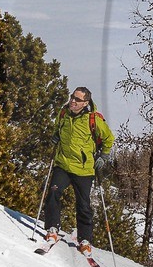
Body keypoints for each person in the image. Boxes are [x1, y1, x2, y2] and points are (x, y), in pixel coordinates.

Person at [41, 86, 114, 255]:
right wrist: (55, 136)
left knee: (83, 204)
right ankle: (52, 228)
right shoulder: (63, 113)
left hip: (84, 169)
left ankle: (85, 239)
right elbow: (57, 128)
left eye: (78, 99)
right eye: (72, 97)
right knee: (53, 193)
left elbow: (109, 138)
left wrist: (103, 156)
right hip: (63, 164)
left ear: (85, 103)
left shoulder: (93, 119)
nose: (73, 101)